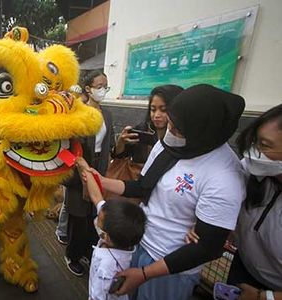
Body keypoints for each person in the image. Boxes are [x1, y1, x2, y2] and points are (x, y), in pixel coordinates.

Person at [84, 84, 246, 299]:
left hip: (169, 267)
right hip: (139, 243)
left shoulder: (224, 176)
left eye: (178, 129)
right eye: (170, 123)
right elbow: (142, 186)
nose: (170, 131)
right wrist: (101, 180)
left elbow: (207, 247)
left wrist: (145, 273)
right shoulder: (170, 144)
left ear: (202, 132)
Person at [186, 104, 282, 300]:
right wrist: (210, 228)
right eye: (255, 141)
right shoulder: (251, 172)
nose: (254, 153)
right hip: (244, 270)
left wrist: (266, 297)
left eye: (265, 145)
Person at [63, 70, 114, 277]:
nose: (103, 90)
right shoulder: (77, 113)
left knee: (95, 217)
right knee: (78, 217)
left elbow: (109, 145)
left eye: (106, 86)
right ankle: (72, 255)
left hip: (98, 172)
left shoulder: (108, 114)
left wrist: (120, 145)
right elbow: (64, 149)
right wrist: (77, 165)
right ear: (88, 89)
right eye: (99, 86)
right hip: (77, 174)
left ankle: (87, 251)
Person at [77, 157, 146, 300]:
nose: (97, 222)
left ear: (105, 236)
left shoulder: (108, 267)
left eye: (99, 222)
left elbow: (98, 296)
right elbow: (96, 197)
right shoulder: (117, 234)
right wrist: (85, 168)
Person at [114, 85, 183, 164]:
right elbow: (119, 157)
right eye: (153, 109)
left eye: (163, 110)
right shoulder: (142, 130)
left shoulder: (183, 137)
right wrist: (121, 142)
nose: (156, 115)